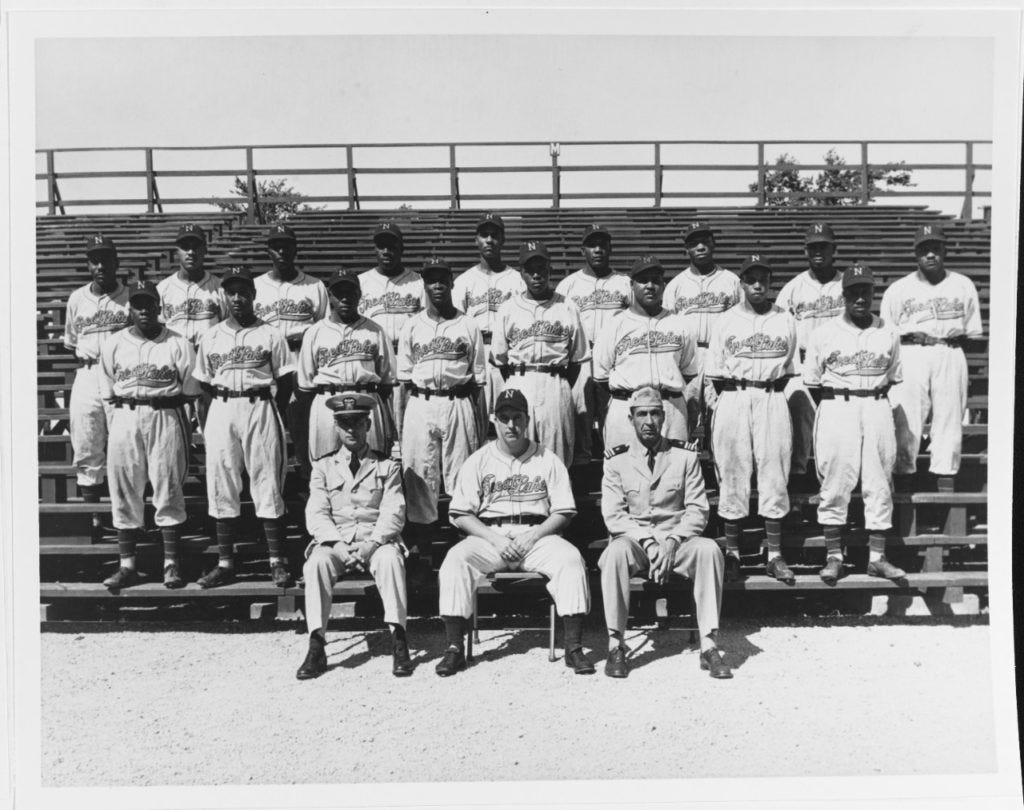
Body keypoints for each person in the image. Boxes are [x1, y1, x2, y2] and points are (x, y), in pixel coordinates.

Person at [435, 388, 594, 677]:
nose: (511, 425)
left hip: (537, 535)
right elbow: (460, 514)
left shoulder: (547, 459)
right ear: (494, 420)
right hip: (489, 537)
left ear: (527, 419)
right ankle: (454, 648)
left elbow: (564, 511)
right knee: (455, 560)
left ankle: (573, 647)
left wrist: (532, 537)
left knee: (571, 559)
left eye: (517, 417)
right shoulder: (478, 460)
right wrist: (494, 539)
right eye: (505, 418)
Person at [600, 387, 731, 679]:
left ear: (664, 417)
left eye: (655, 413)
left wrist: (672, 541)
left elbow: (698, 510)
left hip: (677, 541)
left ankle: (709, 645)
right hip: (636, 542)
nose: (649, 421)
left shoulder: (684, 457)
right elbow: (614, 515)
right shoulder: (616, 460)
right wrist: (648, 542)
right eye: (641, 414)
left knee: (709, 550)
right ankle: (615, 644)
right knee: (614, 554)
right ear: (631, 418)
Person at [296, 393, 412, 680]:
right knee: (316, 564)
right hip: (337, 542)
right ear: (336, 427)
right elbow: (317, 514)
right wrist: (336, 545)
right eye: (344, 423)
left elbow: (393, 511)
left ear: (368, 425)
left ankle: (399, 638)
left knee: (391, 561)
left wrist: (372, 544)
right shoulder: (322, 468)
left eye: (357, 423)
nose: (351, 429)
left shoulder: (387, 466)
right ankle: (316, 644)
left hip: (376, 541)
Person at [192, 266, 295, 589]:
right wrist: (213, 418)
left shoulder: (270, 333)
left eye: (243, 292)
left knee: (267, 483)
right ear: (224, 295)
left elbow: (286, 380)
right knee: (222, 484)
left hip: (260, 405)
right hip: (222, 408)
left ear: (253, 295)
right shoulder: (211, 335)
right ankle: (225, 563)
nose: (237, 298)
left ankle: (276, 561)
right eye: (231, 292)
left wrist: (269, 410)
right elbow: (204, 384)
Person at [804, 262, 906, 584]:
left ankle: (878, 558)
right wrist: (840, 405)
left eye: (865, 290)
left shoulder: (888, 331)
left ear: (873, 293)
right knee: (835, 481)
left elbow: (893, 378)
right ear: (843, 295)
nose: (860, 297)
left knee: (879, 482)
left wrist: (867, 402)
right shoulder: (823, 333)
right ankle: (834, 557)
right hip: (838, 405)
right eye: (853, 291)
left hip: (875, 405)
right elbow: (811, 381)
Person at [97, 281, 201, 590]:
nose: (144, 309)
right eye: (138, 304)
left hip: (165, 415)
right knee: (124, 488)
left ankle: (171, 563)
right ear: (129, 308)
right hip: (125, 416)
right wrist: (117, 422)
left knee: (168, 487)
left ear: (160, 306)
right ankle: (127, 566)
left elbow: (191, 389)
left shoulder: (178, 343)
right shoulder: (114, 343)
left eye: (149, 303)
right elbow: (106, 389)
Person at [706, 256, 797, 584]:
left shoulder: (784, 319)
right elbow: (715, 373)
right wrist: (740, 393)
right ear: (741, 283)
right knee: (733, 473)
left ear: (770, 281)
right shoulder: (726, 320)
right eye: (750, 279)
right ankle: (733, 555)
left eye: (763, 278)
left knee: (775, 472)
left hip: (772, 396)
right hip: (734, 396)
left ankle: (774, 555)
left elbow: (788, 371)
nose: (757, 285)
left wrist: (764, 391)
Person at [881, 223, 984, 491]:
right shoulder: (899, 289)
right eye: (924, 249)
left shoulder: (963, 284)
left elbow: (973, 333)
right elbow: (886, 334)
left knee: (950, 419)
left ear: (944, 251)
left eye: (935, 249)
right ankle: (903, 479)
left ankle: (945, 481)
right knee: (907, 420)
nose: (930, 255)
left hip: (950, 350)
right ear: (916, 254)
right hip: (911, 351)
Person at [397, 258, 486, 528]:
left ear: (452, 282)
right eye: (431, 279)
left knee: (463, 476)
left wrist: (480, 428)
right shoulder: (412, 325)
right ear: (424, 284)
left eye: (442, 279)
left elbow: (479, 382)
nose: (437, 285)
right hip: (420, 402)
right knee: (420, 477)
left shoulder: (468, 325)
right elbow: (403, 382)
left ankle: (463, 542)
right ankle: (424, 554)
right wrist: (400, 426)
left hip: (457, 401)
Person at [490, 240, 588, 467]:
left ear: (549, 269)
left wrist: (558, 379)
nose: (536, 275)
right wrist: (519, 378)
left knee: (557, 457)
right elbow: (501, 361)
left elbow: (576, 361)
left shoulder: (567, 306)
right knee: (517, 456)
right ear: (521, 273)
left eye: (541, 268)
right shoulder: (508, 308)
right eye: (530, 269)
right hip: (519, 380)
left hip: (555, 383)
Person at [63, 234, 131, 542]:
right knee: (87, 445)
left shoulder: (130, 297)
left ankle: (126, 517)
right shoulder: (77, 299)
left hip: (121, 376)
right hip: (88, 375)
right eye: (94, 259)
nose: (100, 265)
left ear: (116, 262)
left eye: (106, 258)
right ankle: (92, 518)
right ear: (88, 264)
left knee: (124, 447)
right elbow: (71, 344)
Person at [592, 255, 697, 448]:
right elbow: (600, 377)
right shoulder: (614, 324)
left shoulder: (680, 324)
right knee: (624, 472)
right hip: (626, 406)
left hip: (670, 406)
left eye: (656, 280)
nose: (650, 286)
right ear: (631, 285)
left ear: (663, 285)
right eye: (643, 280)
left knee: (673, 472)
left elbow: (688, 371)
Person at [253, 223, 329, 485]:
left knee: (306, 435)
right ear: (268, 250)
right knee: (265, 436)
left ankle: (311, 492)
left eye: (287, 245)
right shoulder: (256, 286)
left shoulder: (314, 286)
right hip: (266, 367)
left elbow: (325, 330)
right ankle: (272, 494)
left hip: (301, 363)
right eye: (276, 246)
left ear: (295, 249)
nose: (282, 251)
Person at [297, 269, 396, 462]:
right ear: (330, 295)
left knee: (372, 462)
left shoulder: (375, 330)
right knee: (325, 462)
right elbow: (306, 384)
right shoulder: (314, 332)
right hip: (327, 401)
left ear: (359, 295)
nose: (345, 298)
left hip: (366, 399)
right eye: (339, 293)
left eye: (350, 292)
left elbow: (386, 381)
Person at [554, 224, 632, 464]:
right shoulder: (568, 285)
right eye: (592, 245)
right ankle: (583, 467)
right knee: (581, 414)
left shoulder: (625, 282)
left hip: (617, 358)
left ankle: (618, 463)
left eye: (602, 244)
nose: (598, 250)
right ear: (582, 250)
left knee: (615, 413)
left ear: (610, 248)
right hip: (583, 355)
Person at [775, 222, 845, 490]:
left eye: (823, 246)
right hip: (803, 364)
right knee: (798, 404)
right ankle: (797, 475)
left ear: (833, 249)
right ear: (806, 251)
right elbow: (779, 329)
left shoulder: (845, 284)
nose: (819, 252)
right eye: (813, 247)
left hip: (840, 366)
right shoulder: (793, 288)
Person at [663, 220, 741, 441]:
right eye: (694, 243)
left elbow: (742, 321)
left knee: (721, 418)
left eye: (705, 241)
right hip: (690, 357)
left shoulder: (731, 281)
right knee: (686, 413)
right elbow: (668, 326)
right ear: (686, 249)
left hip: (721, 356)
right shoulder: (676, 285)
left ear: (713, 243)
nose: (700, 247)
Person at [453, 212, 526, 433]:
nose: (489, 240)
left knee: (508, 417)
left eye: (495, 235)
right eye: (484, 235)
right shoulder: (464, 281)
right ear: (476, 240)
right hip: (476, 353)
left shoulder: (517, 279)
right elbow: (457, 325)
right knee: (476, 422)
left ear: (503, 239)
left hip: (507, 355)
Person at [358, 221, 423, 453]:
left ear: (401, 248)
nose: (387, 251)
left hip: (408, 359)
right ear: (375, 249)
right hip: (374, 362)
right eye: (381, 246)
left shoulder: (417, 282)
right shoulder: (362, 282)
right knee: (379, 427)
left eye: (392, 245)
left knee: (411, 427)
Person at [156, 223, 227, 348]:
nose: (191, 252)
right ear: (177, 251)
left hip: (209, 353)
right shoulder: (163, 288)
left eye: (196, 247)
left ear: (205, 249)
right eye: (185, 247)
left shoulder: (219, 287)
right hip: (174, 355)